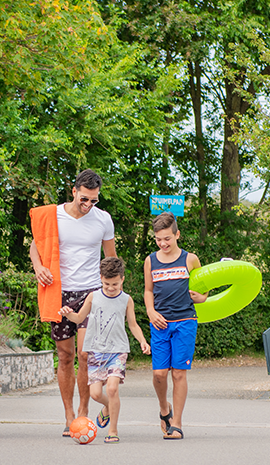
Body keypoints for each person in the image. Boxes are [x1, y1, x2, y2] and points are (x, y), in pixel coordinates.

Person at [29, 168, 117, 437]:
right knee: (65, 356)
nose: (89, 205)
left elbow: (111, 259)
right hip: (59, 291)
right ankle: (68, 414)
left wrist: (114, 294)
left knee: (85, 355)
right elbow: (35, 245)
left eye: (95, 200)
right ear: (74, 191)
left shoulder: (103, 220)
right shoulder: (51, 215)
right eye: (85, 199)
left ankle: (83, 411)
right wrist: (38, 267)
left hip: (90, 292)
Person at [58, 257, 149, 443]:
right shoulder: (93, 296)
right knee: (96, 394)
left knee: (113, 388)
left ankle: (113, 431)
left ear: (122, 279)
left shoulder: (126, 300)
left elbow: (133, 325)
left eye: (115, 284)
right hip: (96, 352)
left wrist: (142, 341)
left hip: (117, 351)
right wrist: (68, 314)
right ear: (100, 278)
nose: (110, 287)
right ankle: (107, 407)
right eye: (107, 283)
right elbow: (79, 318)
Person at [143, 212, 205, 440]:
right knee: (159, 374)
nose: (163, 243)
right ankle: (164, 409)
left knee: (179, 373)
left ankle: (176, 424)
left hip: (185, 322)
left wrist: (203, 297)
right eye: (158, 239)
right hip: (160, 323)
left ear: (177, 234)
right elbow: (148, 290)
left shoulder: (190, 259)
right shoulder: (150, 260)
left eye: (167, 238)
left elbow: (204, 288)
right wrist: (150, 311)